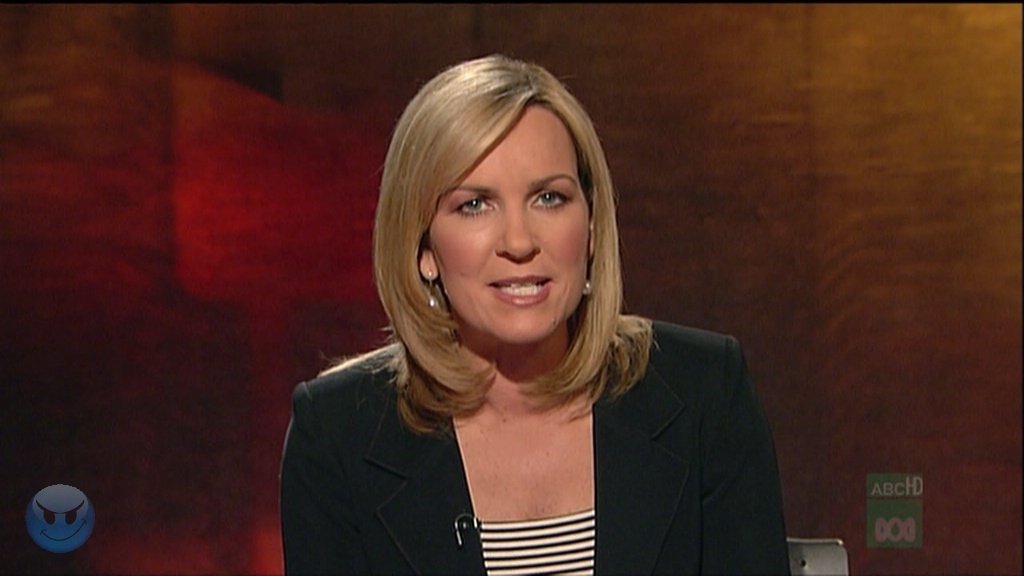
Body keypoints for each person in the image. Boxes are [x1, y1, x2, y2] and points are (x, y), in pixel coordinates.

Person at [280, 53, 790, 575]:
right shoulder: (339, 435)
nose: (520, 242)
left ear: (590, 227)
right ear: (423, 247)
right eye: (474, 205)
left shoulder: (704, 394)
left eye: (549, 198)